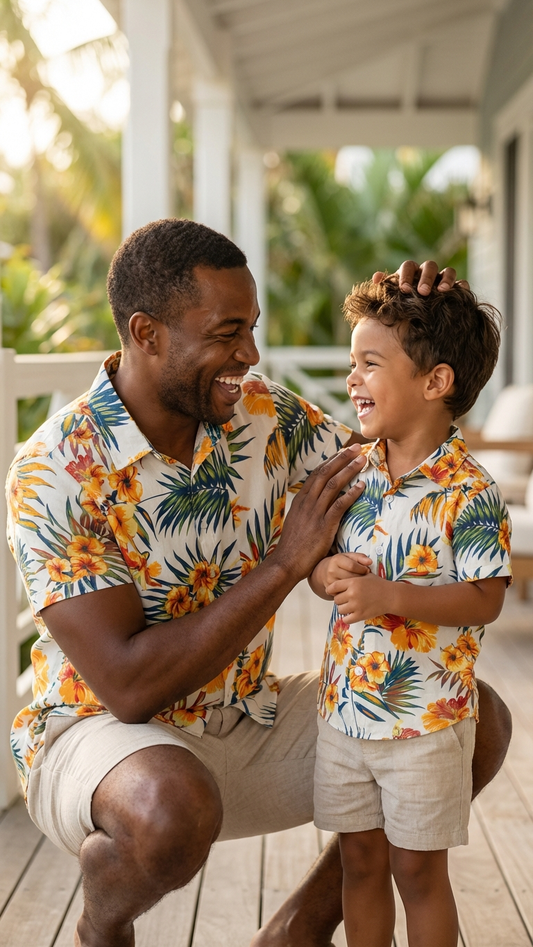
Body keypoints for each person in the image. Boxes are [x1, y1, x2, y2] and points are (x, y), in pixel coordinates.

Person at [5, 219, 511, 947]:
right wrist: (285, 564)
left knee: (469, 721)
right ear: (147, 334)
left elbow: (392, 459)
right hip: (103, 740)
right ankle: (100, 922)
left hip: (246, 714)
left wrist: (431, 332)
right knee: (170, 806)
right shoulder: (53, 469)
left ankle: (297, 930)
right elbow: (128, 687)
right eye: (227, 333)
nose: (249, 354)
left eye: (252, 328)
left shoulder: (261, 413)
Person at [309, 274, 512, 947]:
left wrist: (391, 596)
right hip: (344, 713)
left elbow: (486, 597)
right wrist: (324, 573)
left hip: (426, 723)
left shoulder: (470, 490)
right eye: (352, 362)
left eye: (370, 363)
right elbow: (323, 568)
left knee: (418, 872)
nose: (352, 379)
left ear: (435, 381)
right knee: (359, 863)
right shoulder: (352, 470)